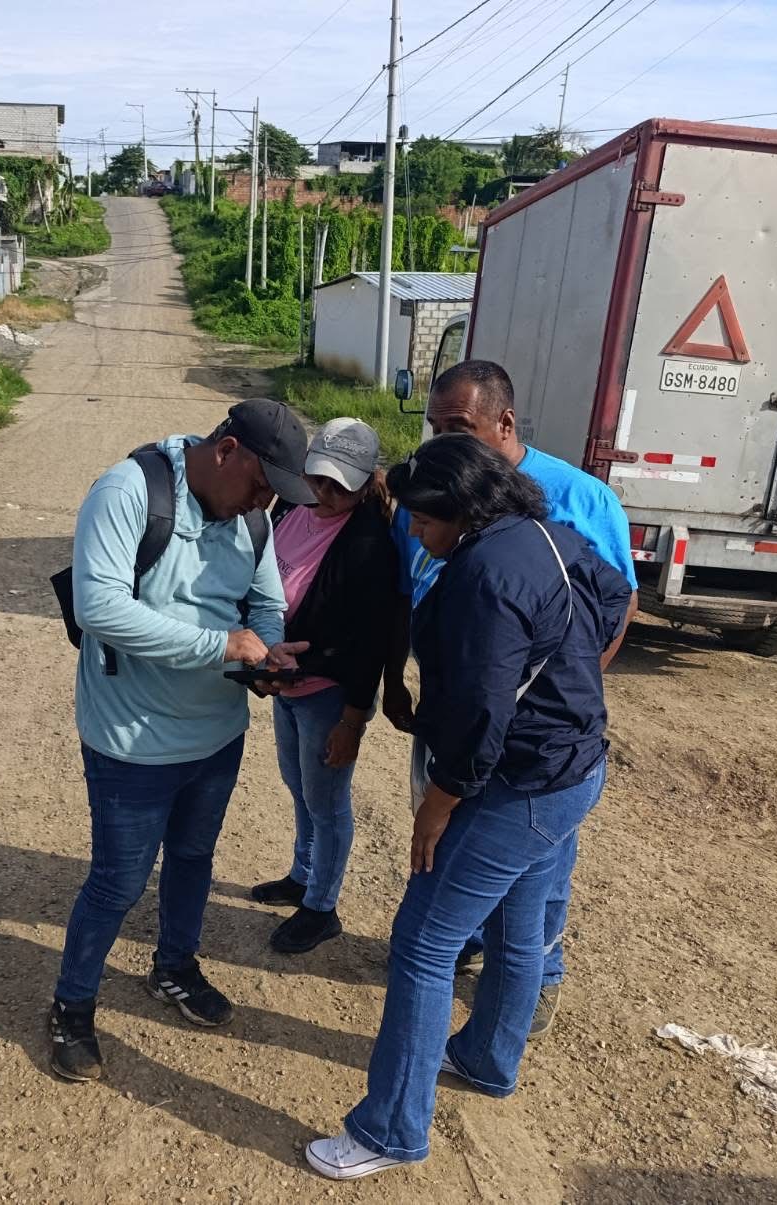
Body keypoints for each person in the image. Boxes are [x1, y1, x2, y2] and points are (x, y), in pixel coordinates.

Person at [307, 435, 632, 1181]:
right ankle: (487, 1057)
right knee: (519, 923)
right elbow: (614, 599)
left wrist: (439, 802)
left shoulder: (484, 574)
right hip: (573, 769)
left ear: (463, 507)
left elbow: (483, 714)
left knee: (424, 941)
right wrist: (568, 685)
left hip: (516, 785)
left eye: (425, 522)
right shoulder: (547, 534)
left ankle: (390, 1128)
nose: (418, 535)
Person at [49, 399, 314, 1083]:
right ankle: (72, 1006)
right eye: (261, 484)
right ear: (226, 451)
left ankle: (174, 966)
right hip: (132, 738)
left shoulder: (252, 518)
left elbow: (266, 604)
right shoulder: (128, 492)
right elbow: (99, 607)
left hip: (217, 733)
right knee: (118, 881)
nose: (264, 503)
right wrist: (220, 645)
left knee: (194, 857)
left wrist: (266, 655)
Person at [383, 359, 640, 1035]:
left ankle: (535, 980)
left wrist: (550, 687)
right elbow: (405, 587)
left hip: (521, 746)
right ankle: (488, 1014)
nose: (442, 440)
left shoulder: (576, 498)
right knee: (482, 877)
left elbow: (616, 601)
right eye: (435, 426)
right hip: (468, 720)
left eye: (458, 427)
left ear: (504, 421)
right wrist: (403, 680)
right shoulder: (437, 490)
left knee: (516, 886)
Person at [250, 418, 400, 954]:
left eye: (340, 485)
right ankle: (303, 874)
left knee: (328, 802)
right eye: (317, 478)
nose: (325, 492)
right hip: (287, 684)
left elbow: (372, 644)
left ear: (366, 481)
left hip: (327, 693)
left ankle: (321, 907)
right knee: (299, 786)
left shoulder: (369, 543)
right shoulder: (291, 506)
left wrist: (352, 721)